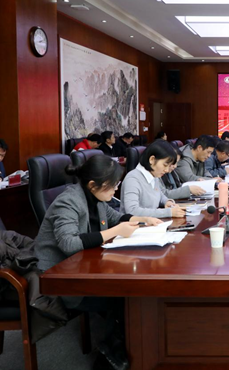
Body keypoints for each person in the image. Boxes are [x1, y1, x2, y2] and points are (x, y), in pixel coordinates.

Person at [34, 154, 162, 370]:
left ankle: (123, 349)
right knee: (124, 297)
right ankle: (111, 356)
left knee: (129, 292)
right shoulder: (68, 201)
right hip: (58, 278)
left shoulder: (96, 197)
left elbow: (114, 217)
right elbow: (69, 243)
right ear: (93, 184)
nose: (116, 190)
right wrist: (116, 231)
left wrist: (143, 220)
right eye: (113, 186)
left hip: (83, 266)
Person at [121, 140, 186, 218]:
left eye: (168, 166)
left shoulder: (154, 174)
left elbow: (159, 194)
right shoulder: (132, 179)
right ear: (152, 159)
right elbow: (132, 211)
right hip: (136, 224)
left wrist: (167, 202)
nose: (166, 170)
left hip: (152, 222)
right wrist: (167, 212)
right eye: (165, 165)